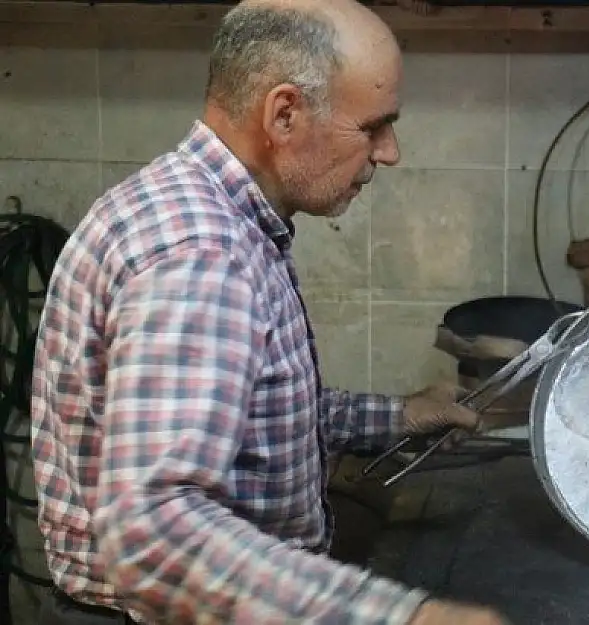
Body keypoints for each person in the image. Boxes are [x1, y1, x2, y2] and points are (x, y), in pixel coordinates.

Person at [29, 0, 507, 623]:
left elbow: (251, 411)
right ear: (284, 114)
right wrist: (403, 618)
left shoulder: (204, 213)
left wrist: (396, 417)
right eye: (373, 127)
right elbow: (152, 532)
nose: (389, 152)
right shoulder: (201, 254)